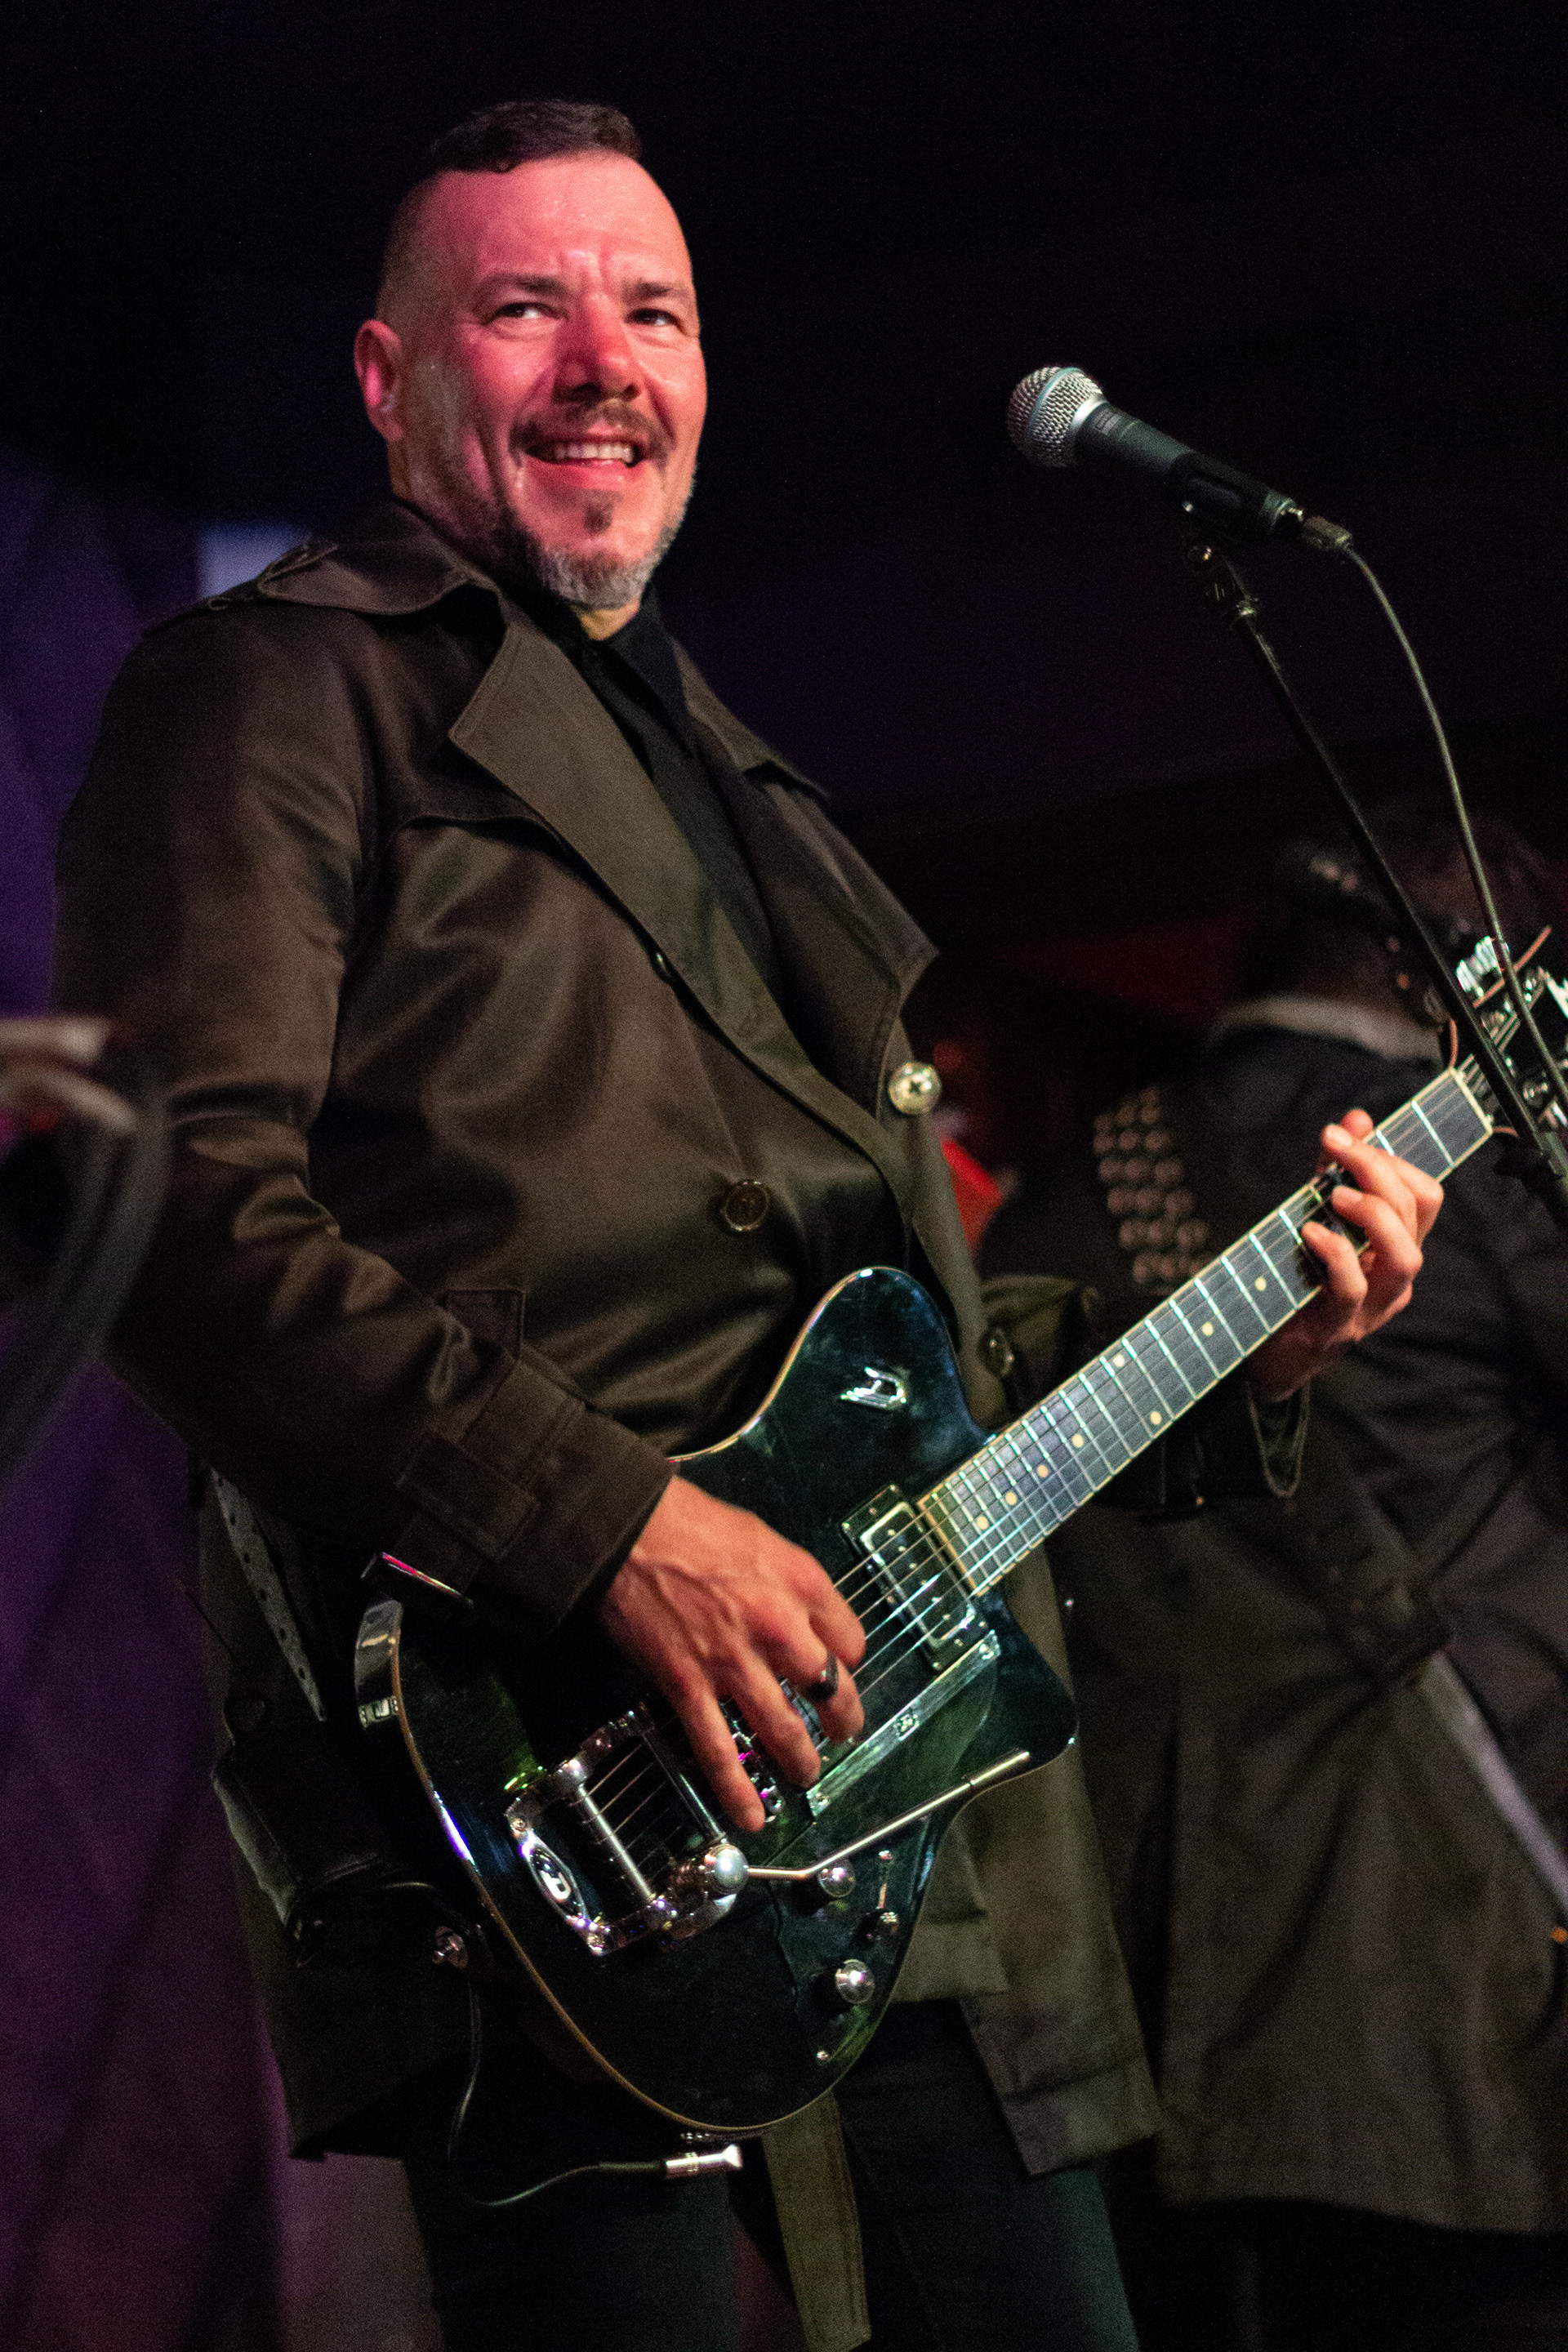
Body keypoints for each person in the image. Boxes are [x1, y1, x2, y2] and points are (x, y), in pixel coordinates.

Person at [53, 101, 1440, 2352]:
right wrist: (607, 1525)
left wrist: (1247, 1345)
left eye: (656, 312)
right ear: (389, 379)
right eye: (527, 307)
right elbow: (162, 1209)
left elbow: (922, 1379)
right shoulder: (272, 691)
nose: (605, 359)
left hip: (930, 1837)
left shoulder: (740, 776)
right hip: (583, 1820)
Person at [982, 813, 1568, 2351]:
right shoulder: (1469, 1166)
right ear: (1450, 982)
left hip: (1147, 1994)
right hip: (1451, 1975)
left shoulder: (1050, 1204)